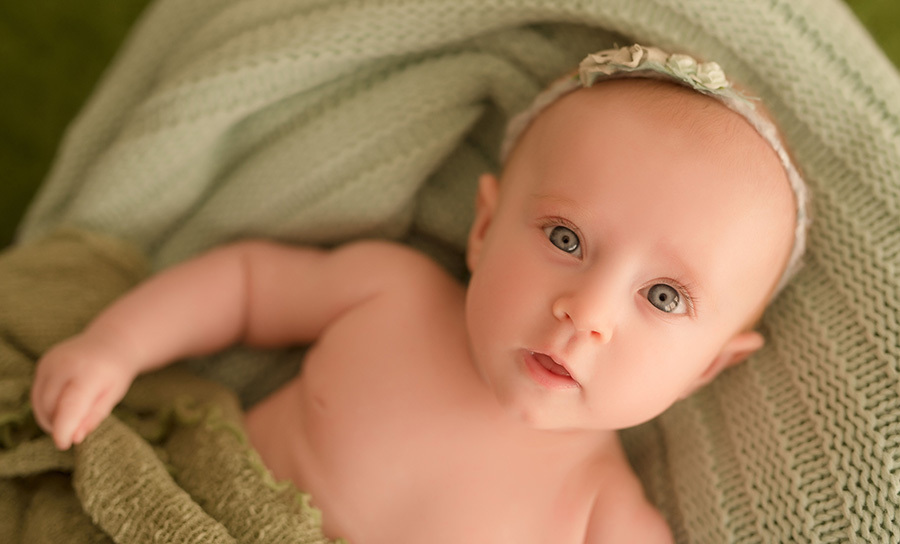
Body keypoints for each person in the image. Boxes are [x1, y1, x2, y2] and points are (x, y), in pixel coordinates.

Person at [30, 44, 808, 543]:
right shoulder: (389, 294)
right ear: (484, 227)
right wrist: (115, 345)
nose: (588, 313)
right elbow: (245, 285)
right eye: (565, 240)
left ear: (708, 367)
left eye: (666, 298)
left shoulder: (602, 516)